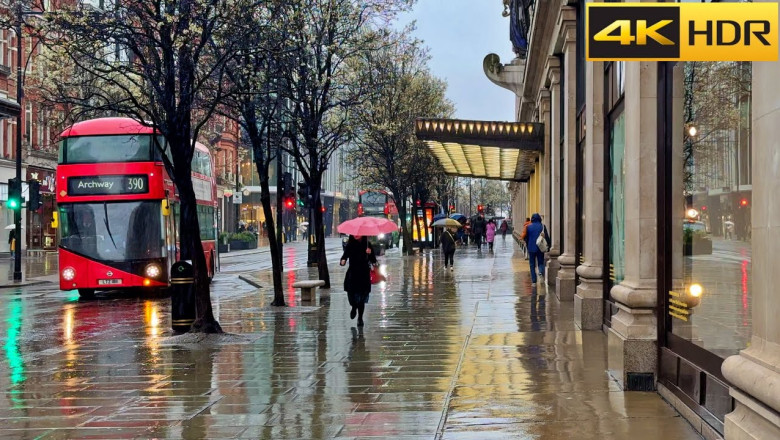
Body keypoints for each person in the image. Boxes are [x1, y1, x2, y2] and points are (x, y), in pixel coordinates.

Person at [340, 235, 377, 327]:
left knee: (362, 298)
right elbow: (344, 256)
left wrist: (370, 253)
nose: (357, 236)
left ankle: (360, 318)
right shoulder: (350, 244)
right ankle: (353, 307)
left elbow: (374, 261)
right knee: (351, 295)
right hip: (353, 274)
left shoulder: (367, 244)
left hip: (364, 274)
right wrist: (343, 261)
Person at [524, 213, 550, 285]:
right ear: (539, 219)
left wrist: (527, 244)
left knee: (532, 264)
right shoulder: (542, 226)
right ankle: (541, 272)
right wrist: (549, 245)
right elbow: (547, 237)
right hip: (540, 247)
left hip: (531, 248)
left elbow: (526, 238)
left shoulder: (528, 227)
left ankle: (534, 281)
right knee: (541, 262)